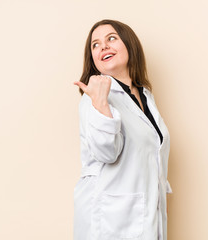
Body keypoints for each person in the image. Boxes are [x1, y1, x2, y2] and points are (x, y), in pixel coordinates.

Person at [73, 19, 173, 240]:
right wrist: (100, 103)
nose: (104, 47)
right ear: (93, 59)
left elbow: (151, 155)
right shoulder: (93, 98)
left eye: (111, 38)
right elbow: (105, 153)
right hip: (109, 218)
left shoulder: (144, 95)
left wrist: (158, 197)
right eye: (95, 45)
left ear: (129, 45)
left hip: (143, 213)